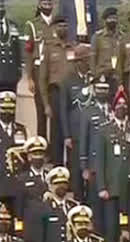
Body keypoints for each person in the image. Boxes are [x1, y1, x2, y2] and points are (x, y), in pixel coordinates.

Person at [95, 87, 130, 242]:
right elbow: (100, 161)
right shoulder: (105, 130)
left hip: (129, 191)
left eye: (124, 105)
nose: (122, 108)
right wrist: (101, 186)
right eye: (118, 105)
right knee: (112, 231)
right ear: (113, 109)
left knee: (128, 231)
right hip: (111, 191)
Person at [40, 15, 75, 165]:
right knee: (56, 133)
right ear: (54, 28)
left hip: (72, 95)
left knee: (71, 130)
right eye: (59, 26)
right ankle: (58, 167)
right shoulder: (48, 48)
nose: (63, 28)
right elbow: (42, 78)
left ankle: (71, 168)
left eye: (65, 26)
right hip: (55, 93)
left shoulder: (73, 46)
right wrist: (46, 104)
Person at [59, 44, 91, 201]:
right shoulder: (67, 81)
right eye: (86, 60)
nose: (89, 63)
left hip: (93, 132)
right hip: (76, 132)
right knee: (77, 169)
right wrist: (66, 135)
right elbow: (63, 111)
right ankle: (79, 201)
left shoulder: (94, 78)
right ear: (78, 62)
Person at [78, 74, 111, 228]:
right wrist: (84, 166)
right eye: (99, 89)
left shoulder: (113, 111)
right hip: (93, 165)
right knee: (95, 205)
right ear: (94, 90)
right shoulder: (88, 111)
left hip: (110, 166)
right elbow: (83, 139)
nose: (102, 92)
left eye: (105, 89)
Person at [24, 0, 56, 140]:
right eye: (44, 3)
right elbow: (28, 52)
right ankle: (41, 143)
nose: (47, 6)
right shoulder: (32, 25)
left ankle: (54, 148)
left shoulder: (58, 23)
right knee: (41, 109)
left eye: (50, 3)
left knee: (54, 108)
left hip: (55, 71)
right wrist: (29, 77)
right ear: (39, 5)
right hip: (38, 70)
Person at [90, 6, 124, 95]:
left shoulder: (121, 37)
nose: (112, 21)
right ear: (105, 20)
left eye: (114, 18)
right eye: (110, 18)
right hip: (102, 76)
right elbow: (92, 59)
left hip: (117, 77)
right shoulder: (98, 37)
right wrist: (94, 77)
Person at [0, 92, 27, 190]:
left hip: (17, 180)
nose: (7, 112)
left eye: (10, 109)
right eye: (4, 109)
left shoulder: (21, 130)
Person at [0, 1, 22, 94]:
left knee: (9, 106)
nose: (1, 8)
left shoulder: (13, 25)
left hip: (10, 76)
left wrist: (18, 70)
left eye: (2, 5)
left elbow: (17, 50)